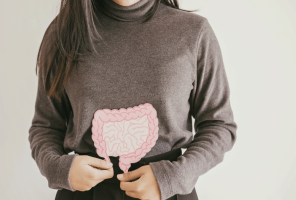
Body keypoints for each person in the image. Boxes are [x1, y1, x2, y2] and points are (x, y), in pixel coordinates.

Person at [28, 0, 238, 199]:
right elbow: (45, 127)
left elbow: (219, 125)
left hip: (168, 192)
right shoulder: (62, 34)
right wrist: (59, 168)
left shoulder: (194, 32)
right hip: (86, 194)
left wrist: (174, 177)